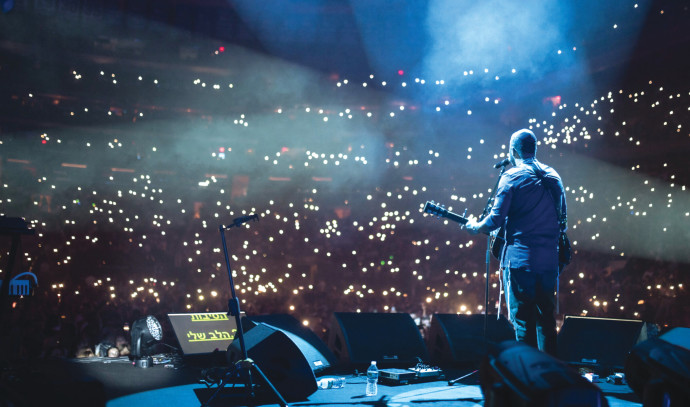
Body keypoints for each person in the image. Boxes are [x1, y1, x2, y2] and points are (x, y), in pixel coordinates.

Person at [464, 129, 566, 355]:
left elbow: (495, 220)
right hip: (549, 264)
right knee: (546, 322)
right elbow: (563, 223)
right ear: (534, 148)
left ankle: (526, 378)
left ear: (513, 151)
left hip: (520, 262)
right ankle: (548, 377)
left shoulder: (511, 176)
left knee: (522, 322)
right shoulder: (553, 176)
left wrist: (476, 226)